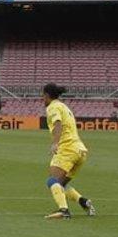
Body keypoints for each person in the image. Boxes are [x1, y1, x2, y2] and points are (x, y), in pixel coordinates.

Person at [42, 84, 96, 219]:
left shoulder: (53, 107)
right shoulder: (63, 106)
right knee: (60, 184)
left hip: (67, 149)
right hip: (80, 150)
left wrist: (55, 143)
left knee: (52, 181)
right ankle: (84, 202)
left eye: (43, 95)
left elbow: (58, 123)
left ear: (47, 95)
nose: (42, 98)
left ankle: (64, 210)